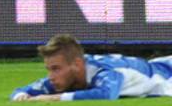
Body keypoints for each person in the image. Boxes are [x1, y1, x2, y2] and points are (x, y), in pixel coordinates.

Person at [10, 34, 172, 102]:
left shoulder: (105, 71)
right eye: (49, 69)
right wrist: (21, 96)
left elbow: (107, 94)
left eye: (56, 69)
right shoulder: (67, 74)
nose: (51, 76)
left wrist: (56, 98)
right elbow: (22, 90)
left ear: (77, 65)